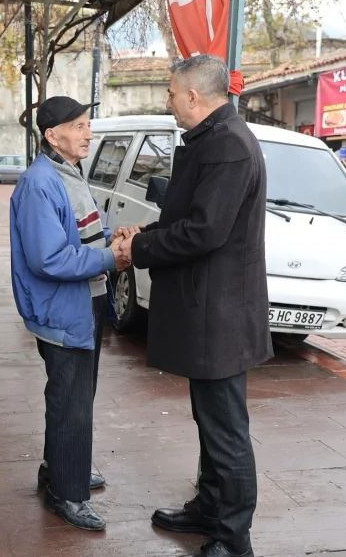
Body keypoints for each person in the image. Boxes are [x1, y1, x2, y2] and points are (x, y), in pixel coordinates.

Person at [116, 55, 272, 557]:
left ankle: (233, 538)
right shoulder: (214, 139)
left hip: (219, 314)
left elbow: (205, 231)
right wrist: (148, 233)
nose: (167, 101)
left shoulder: (228, 145)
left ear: (192, 96)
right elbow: (186, 215)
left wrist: (137, 250)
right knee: (211, 423)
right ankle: (209, 507)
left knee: (226, 432)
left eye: (169, 92)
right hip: (209, 308)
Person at [9, 95, 130, 532]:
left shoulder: (66, 172)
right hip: (64, 310)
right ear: (52, 135)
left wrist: (109, 242)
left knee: (73, 397)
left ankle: (59, 468)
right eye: (79, 126)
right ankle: (67, 493)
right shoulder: (40, 182)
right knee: (71, 403)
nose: (88, 134)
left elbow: (77, 237)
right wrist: (108, 259)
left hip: (82, 302)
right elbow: (49, 259)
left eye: (87, 125)